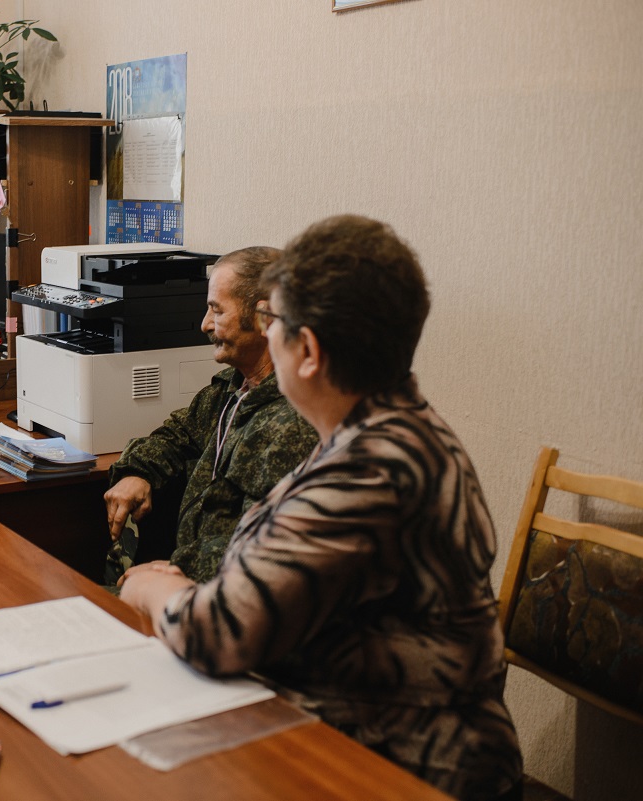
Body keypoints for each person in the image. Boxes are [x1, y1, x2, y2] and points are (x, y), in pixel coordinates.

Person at [121, 215, 522, 801]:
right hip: (344, 739)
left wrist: (151, 587)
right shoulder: (398, 427)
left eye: (271, 321)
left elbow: (219, 634)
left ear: (305, 350)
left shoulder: (367, 472)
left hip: (397, 772)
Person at [103, 247, 316, 585]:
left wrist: (167, 575)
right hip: (184, 578)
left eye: (216, 310)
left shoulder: (294, 425)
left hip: (217, 598)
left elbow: (257, 552)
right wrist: (137, 472)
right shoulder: (230, 390)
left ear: (266, 319)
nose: (205, 325)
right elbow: (175, 436)